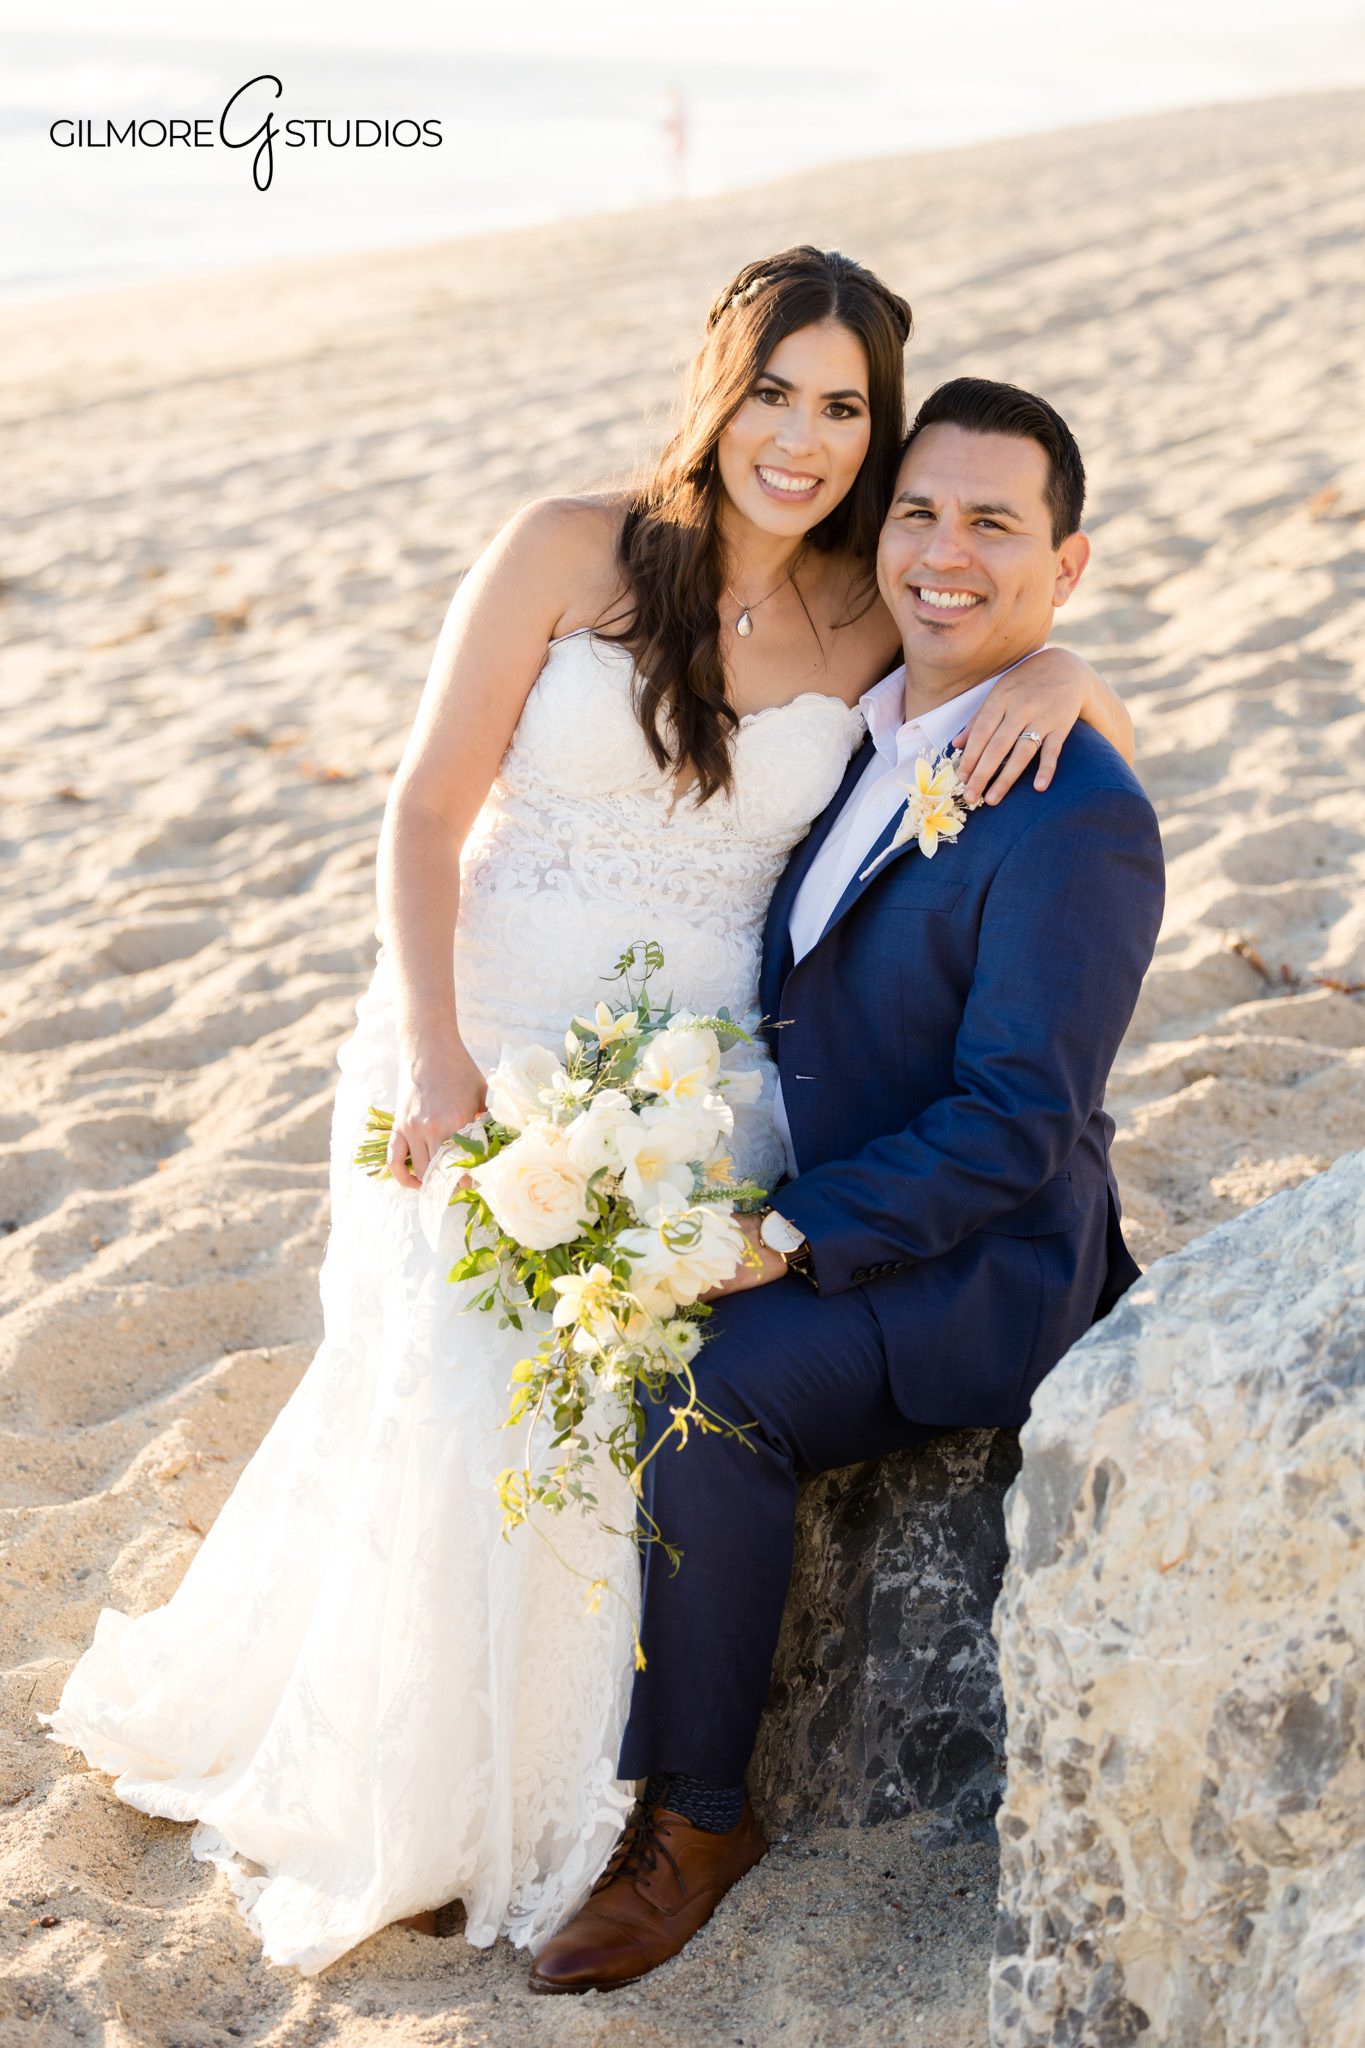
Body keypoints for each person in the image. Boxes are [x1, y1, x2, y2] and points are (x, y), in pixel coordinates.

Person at [43, 255, 1134, 1975]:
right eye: (774, 390)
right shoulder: (566, 547)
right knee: (451, 1394)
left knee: (608, 1420)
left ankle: (605, 1801)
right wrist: (434, 1056)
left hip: (697, 1089)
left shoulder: (865, 610)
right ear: (717, 383)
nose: (802, 437)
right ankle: (429, 1781)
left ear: (879, 427)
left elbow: (1010, 725)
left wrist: (1066, 672)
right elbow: (420, 809)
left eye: (844, 407)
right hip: (477, 1036)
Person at [529, 377, 1165, 1996]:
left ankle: (696, 1820)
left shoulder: (1074, 810)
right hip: (859, 1201)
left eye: (994, 526)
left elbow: (1018, 1123)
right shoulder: (890, 720)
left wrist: (782, 1235)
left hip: (988, 1264)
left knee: (706, 1395)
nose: (945, 553)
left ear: (1064, 564)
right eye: (919, 513)